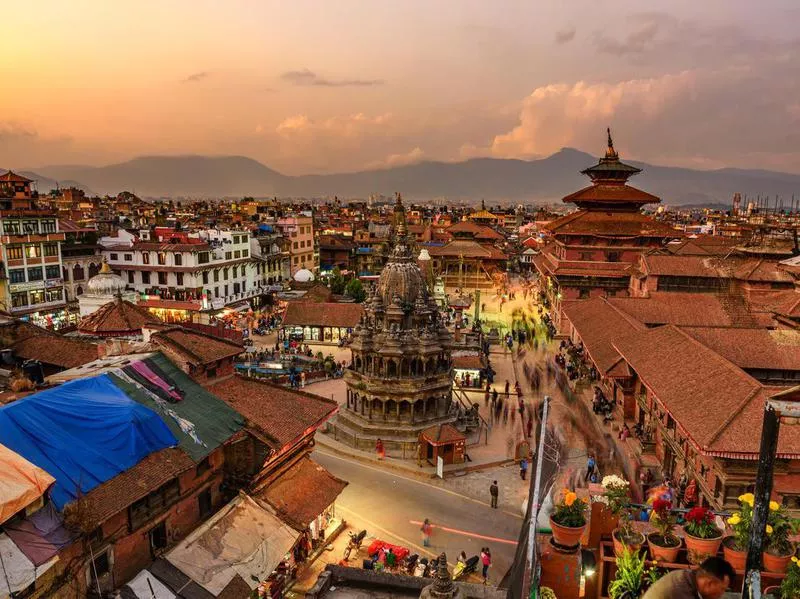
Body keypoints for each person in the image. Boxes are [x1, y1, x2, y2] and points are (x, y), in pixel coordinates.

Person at [643, 556, 734, 599]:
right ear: (709, 583)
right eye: (722, 589)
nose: (721, 595)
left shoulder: (686, 577)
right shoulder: (681, 589)